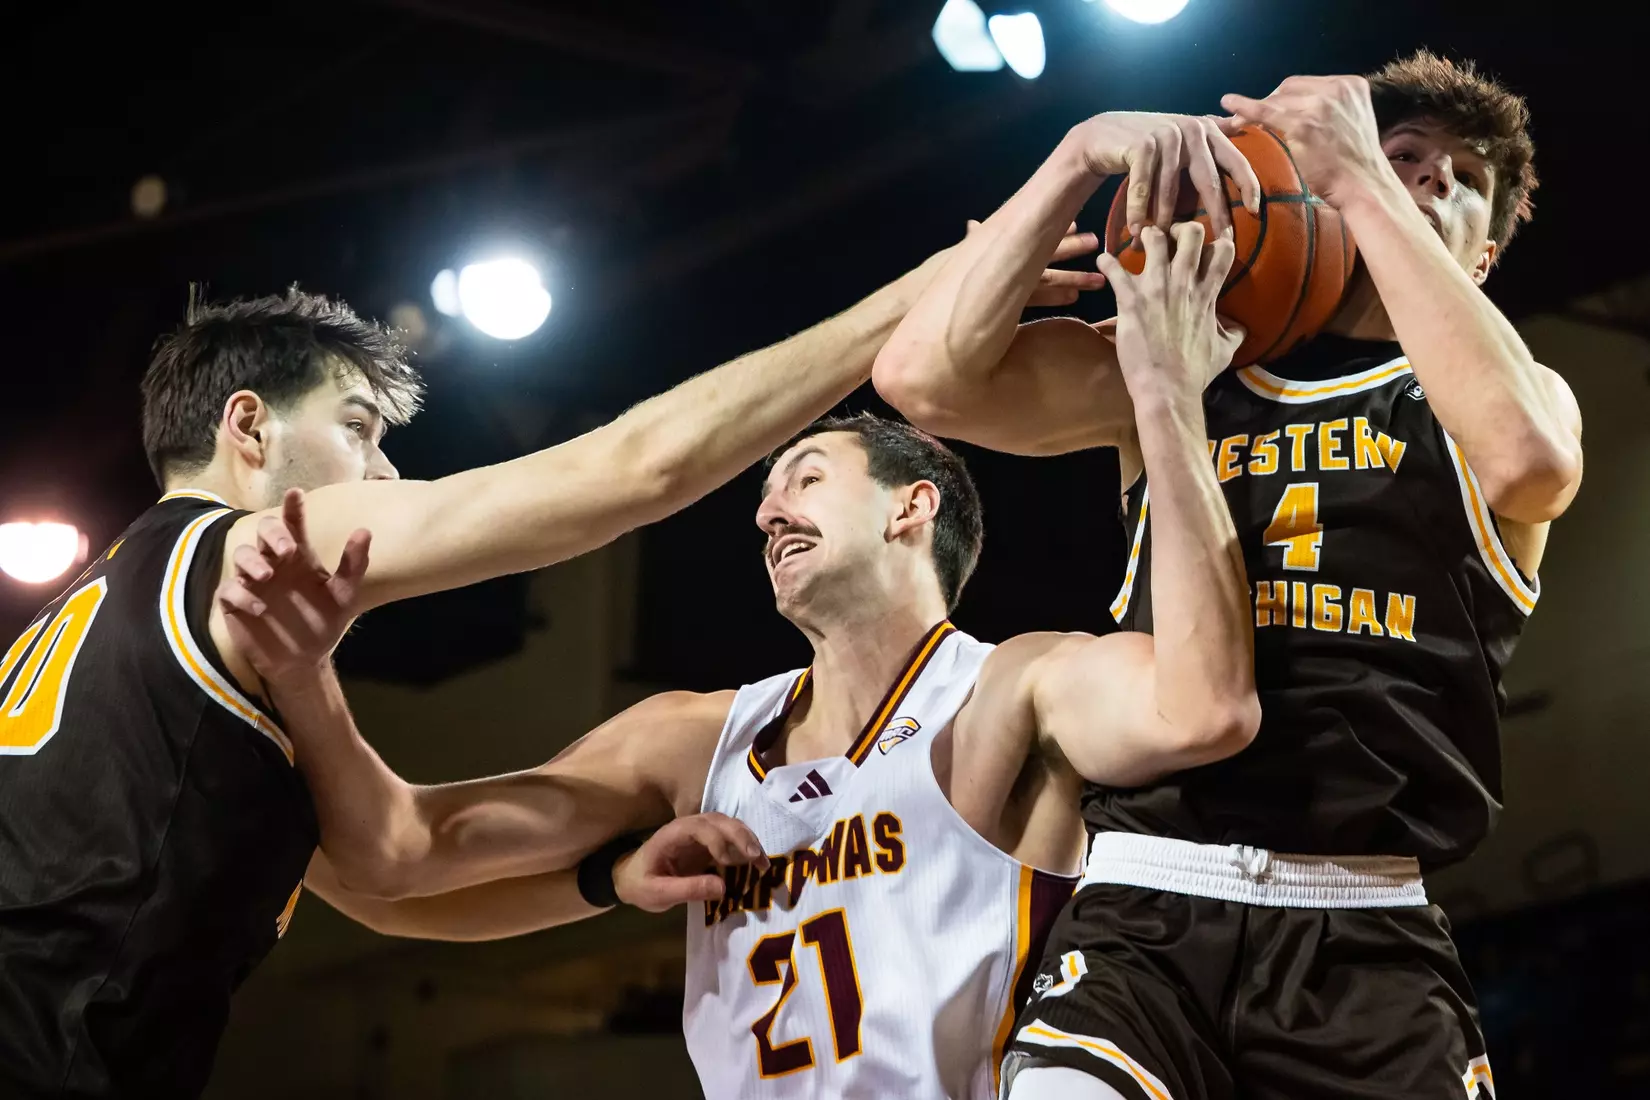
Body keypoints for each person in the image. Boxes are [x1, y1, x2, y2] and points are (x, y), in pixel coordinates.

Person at [0, 234, 1094, 1100]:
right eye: (359, 428)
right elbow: (634, 469)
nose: (384, 472)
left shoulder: (82, 627)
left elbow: (387, 871)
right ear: (249, 430)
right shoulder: (248, 551)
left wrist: (601, 880)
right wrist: (920, 297)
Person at [213, 215, 1258, 1099]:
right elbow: (407, 864)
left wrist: (1164, 403)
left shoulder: (1013, 688)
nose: (767, 511)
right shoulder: (691, 738)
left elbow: (1203, 702)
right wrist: (609, 878)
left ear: (911, 507)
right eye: (765, 493)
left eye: (805, 477)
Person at [871, 52, 1582, 1100]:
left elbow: (1529, 463)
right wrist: (1074, 157)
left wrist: (1364, 174)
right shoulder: (1189, 348)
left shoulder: (1516, 402)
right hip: (1150, 899)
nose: (1432, 177)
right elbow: (921, 380)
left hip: (1365, 923)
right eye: (1407, 154)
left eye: (1464, 179)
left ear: (1481, 259)